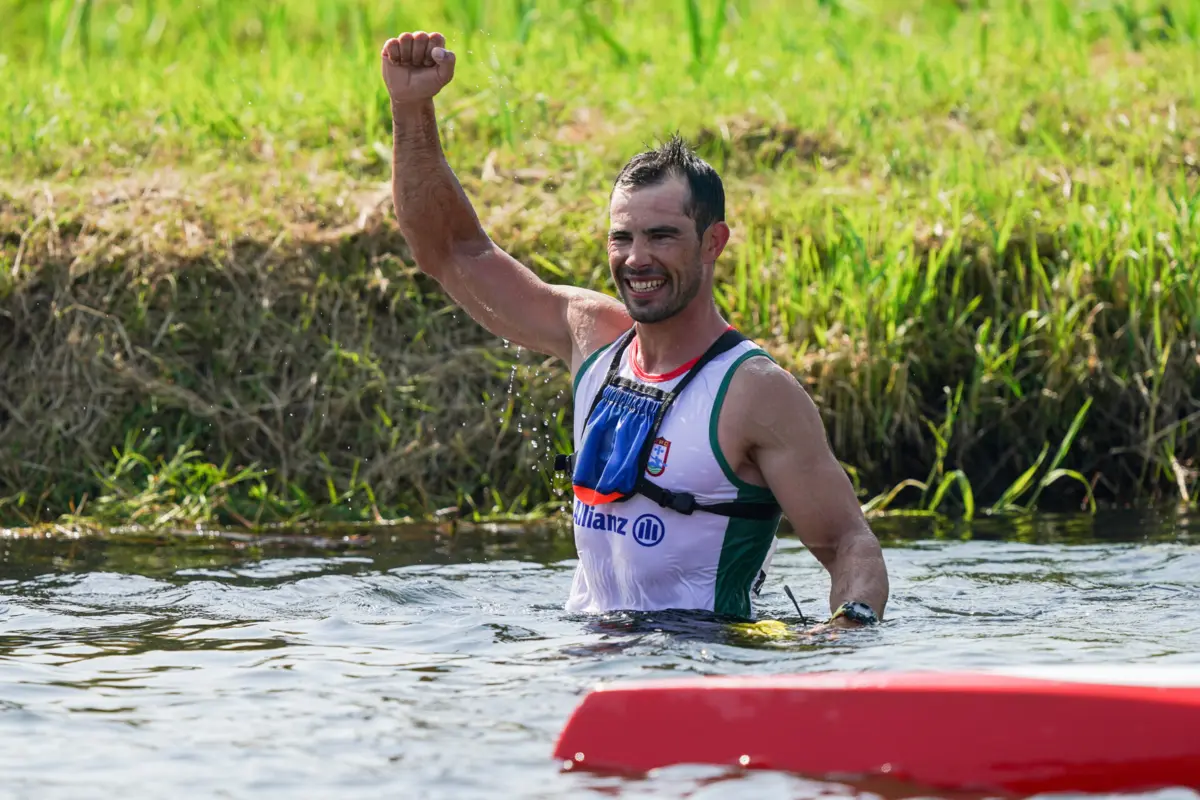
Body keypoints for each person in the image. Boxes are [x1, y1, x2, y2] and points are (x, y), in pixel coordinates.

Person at [380, 31, 889, 629]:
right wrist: (411, 109)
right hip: (587, 653)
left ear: (713, 242)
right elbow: (450, 250)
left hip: (703, 660)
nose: (637, 259)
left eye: (661, 236)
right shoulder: (590, 337)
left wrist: (846, 631)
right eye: (622, 237)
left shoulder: (755, 393)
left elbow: (849, 544)